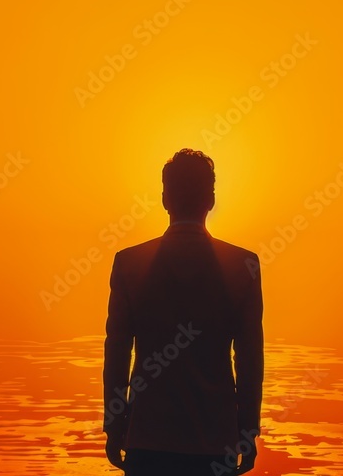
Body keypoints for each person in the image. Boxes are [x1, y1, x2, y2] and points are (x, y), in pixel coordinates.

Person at [102, 148, 264, 475]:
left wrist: (114, 423)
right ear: (211, 199)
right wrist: (247, 429)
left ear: (164, 199)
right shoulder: (243, 266)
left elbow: (117, 353)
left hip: (147, 439)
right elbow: (249, 359)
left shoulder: (130, 264)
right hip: (215, 443)